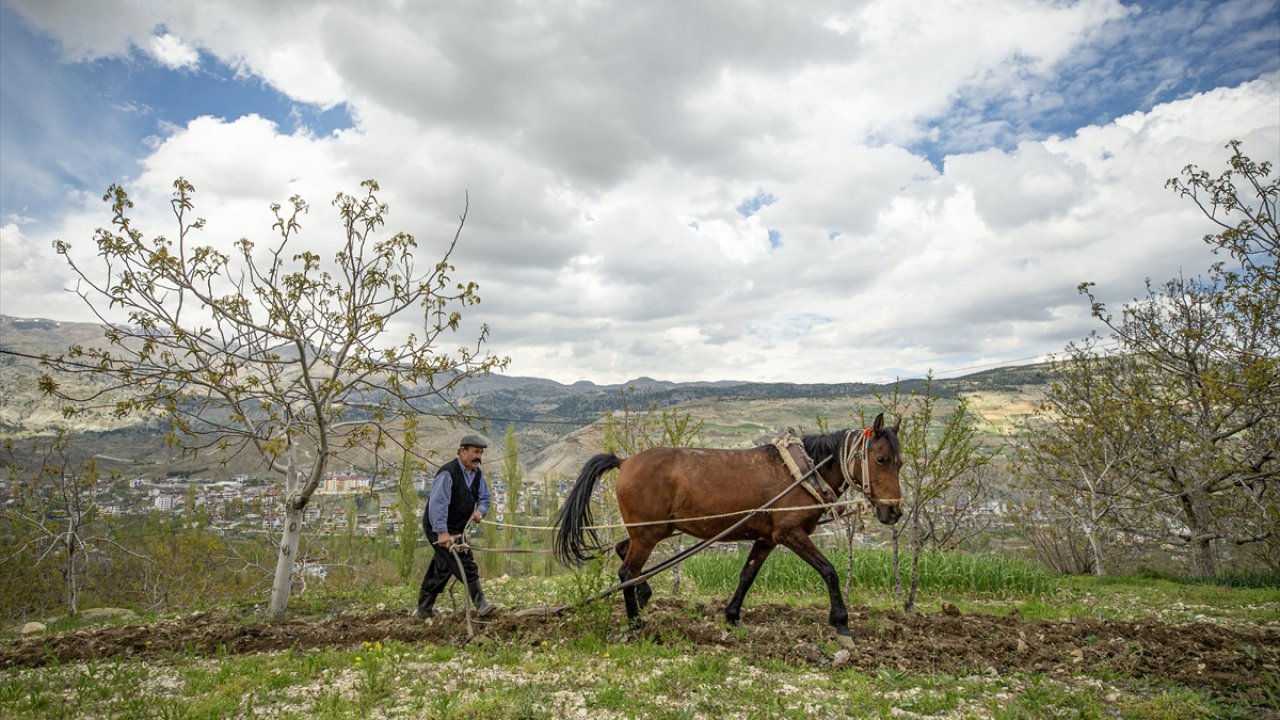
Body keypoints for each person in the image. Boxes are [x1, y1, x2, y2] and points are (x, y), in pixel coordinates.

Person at [416, 434, 496, 619]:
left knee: (443, 565)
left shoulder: (477, 474)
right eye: (476, 451)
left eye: (481, 452)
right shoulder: (447, 473)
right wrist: (442, 533)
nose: (479, 456)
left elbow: (485, 498)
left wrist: (480, 511)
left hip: (458, 528)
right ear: (462, 451)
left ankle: (424, 608)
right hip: (439, 527)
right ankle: (481, 603)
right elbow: (438, 504)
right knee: (464, 560)